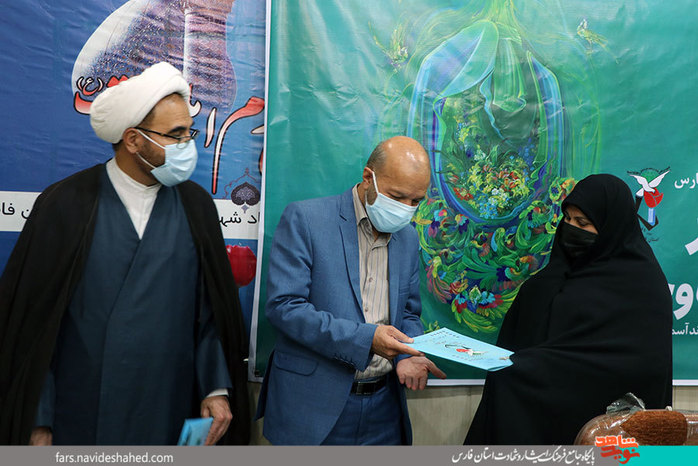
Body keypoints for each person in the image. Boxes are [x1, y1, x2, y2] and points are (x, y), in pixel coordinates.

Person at [0, 62, 250, 445]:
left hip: (169, 408)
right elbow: (35, 327)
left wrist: (215, 389)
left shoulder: (196, 206)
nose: (188, 144)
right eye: (176, 134)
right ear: (133, 140)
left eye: (190, 131)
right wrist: (37, 421)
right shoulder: (65, 204)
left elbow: (210, 316)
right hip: (79, 414)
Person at [256, 136, 446, 445]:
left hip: (384, 408)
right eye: (397, 197)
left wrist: (408, 355)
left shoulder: (409, 239)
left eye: (416, 201)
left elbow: (409, 313)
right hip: (312, 406)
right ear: (368, 177)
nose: (406, 209)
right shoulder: (306, 219)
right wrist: (367, 339)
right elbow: (284, 308)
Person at [464, 174, 673, 445]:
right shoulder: (545, 283)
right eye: (568, 219)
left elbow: (640, 366)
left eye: (582, 223)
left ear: (611, 226)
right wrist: (519, 370)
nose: (571, 229)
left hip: (607, 428)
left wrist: (528, 370)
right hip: (539, 420)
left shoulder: (643, 287)